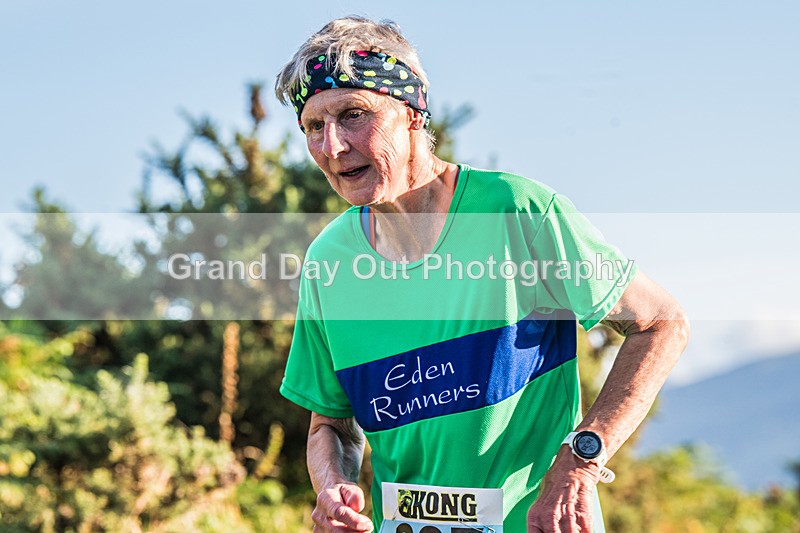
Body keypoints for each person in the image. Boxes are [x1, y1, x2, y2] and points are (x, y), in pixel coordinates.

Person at [276, 16, 689, 533]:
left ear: (410, 112)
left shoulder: (518, 212)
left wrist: (580, 462)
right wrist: (332, 487)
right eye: (314, 126)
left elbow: (662, 324)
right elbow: (331, 422)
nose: (332, 146)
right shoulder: (329, 262)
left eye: (353, 115)